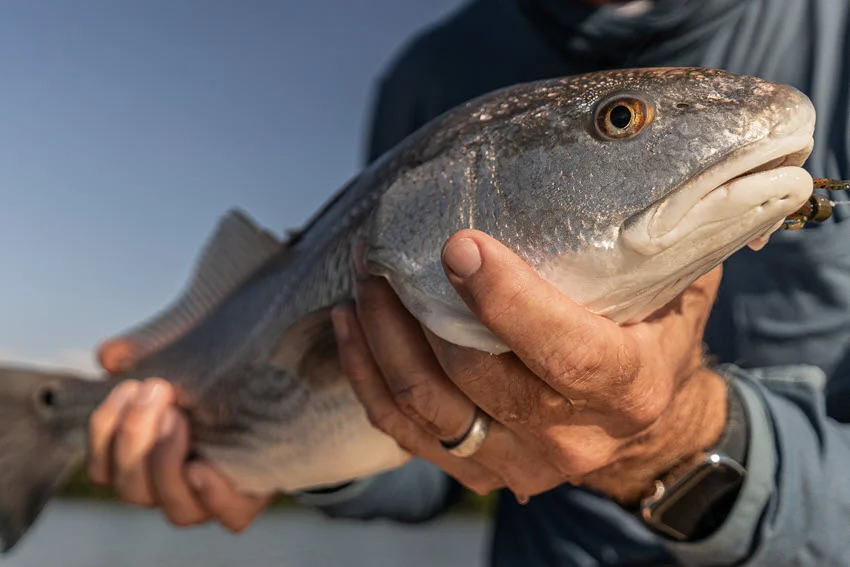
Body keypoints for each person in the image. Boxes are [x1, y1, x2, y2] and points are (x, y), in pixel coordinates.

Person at [88, 0, 850, 565]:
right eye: (621, 120)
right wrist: (275, 460)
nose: (624, 125)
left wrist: (686, 445)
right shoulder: (433, 73)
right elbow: (434, 476)